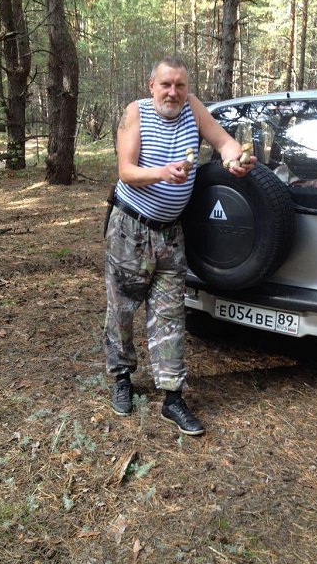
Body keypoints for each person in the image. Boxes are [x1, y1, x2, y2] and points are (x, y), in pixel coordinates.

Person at [103, 55, 256, 436]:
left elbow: (223, 142)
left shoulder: (193, 109)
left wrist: (234, 159)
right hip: (130, 229)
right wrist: (162, 172)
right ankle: (122, 378)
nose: (173, 92)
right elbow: (126, 171)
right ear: (151, 85)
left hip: (172, 234)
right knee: (122, 309)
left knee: (171, 314)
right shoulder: (135, 113)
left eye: (180, 85)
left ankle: (172, 397)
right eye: (166, 84)